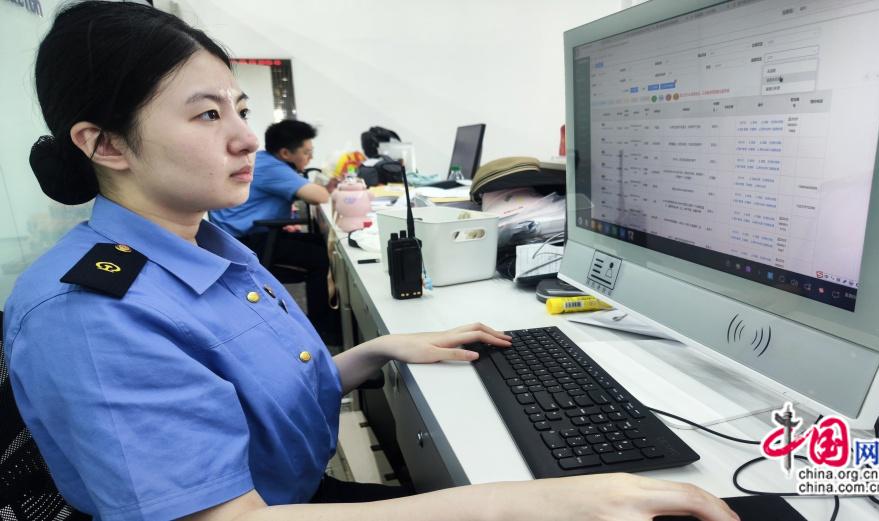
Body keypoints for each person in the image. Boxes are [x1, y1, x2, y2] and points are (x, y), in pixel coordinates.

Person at [2, 3, 739, 521]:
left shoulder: (206, 242)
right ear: (106, 144)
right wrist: (528, 504)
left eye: (240, 109)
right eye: (207, 114)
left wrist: (380, 350)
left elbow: (259, 388)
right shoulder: (92, 315)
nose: (247, 138)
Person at [209, 120, 337, 344]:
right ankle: (324, 328)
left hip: (243, 236)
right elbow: (320, 196)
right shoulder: (272, 167)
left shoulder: (265, 160)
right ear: (286, 153)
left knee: (319, 242)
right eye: (306, 152)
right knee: (321, 258)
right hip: (248, 242)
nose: (310, 158)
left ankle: (328, 319)